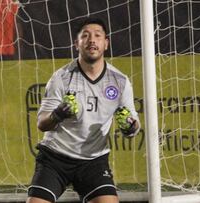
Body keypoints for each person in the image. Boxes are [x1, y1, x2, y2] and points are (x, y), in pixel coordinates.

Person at [26, 17, 140, 203]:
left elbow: (134, 125)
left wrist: (130, 127)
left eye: (97, 35)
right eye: (85, 36)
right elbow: (42, 123)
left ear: (106, 44)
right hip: (55, 158)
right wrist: (58, 114)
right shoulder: (61, 77)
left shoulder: (120, 81)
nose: (92, 40)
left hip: (93, 161)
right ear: (77, 44)